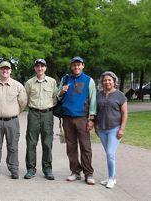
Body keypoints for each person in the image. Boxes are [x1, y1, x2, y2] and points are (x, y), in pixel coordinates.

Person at [0, 61, 27, 179]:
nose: (5, 71)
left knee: (13, 147)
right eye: (3, 69)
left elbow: (23, 103)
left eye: (7, 69)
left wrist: (14, 112)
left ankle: (14, 169)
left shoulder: (18, 86)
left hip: (12, 121)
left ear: (10, 71)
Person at [58, 56, 97, 185]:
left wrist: (91, 119)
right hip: (67, 118)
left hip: (82, 118)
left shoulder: (88, 80)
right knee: (71, 146)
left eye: (79, 65)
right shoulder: (65, 79)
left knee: (85, 146)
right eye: (74, 65)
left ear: (83, 66)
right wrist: (61, 91)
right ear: (71, 66)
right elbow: (57, 96)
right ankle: (75, 171)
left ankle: (88, 173)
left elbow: (93, 100)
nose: (76, 67)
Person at [24, 59, 58, 180]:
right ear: (35, 68)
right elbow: (25, 99)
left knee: (47, 143)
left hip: (47, 114)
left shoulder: (52, 82)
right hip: (33, 114)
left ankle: (47, 169)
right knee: (31, 143)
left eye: (42, 66)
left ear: (45, 68)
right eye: (37, 66)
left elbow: (55, 98)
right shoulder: (29, 83)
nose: (40, 68)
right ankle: (30, 169)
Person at [95, 71, 128, 189]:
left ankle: (111, 178)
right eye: (105, 80)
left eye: (109, 80)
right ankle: (111, 176)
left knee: (110, 154)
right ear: (102, 82)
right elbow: (96, 112)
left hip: (115, 129)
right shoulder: (99, 95)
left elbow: (125, 114)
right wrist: (95, 127)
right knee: (109, 154)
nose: (107, 82)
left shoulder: (120, 95)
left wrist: (122, 129)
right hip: (102, 129)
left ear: (114, 81)